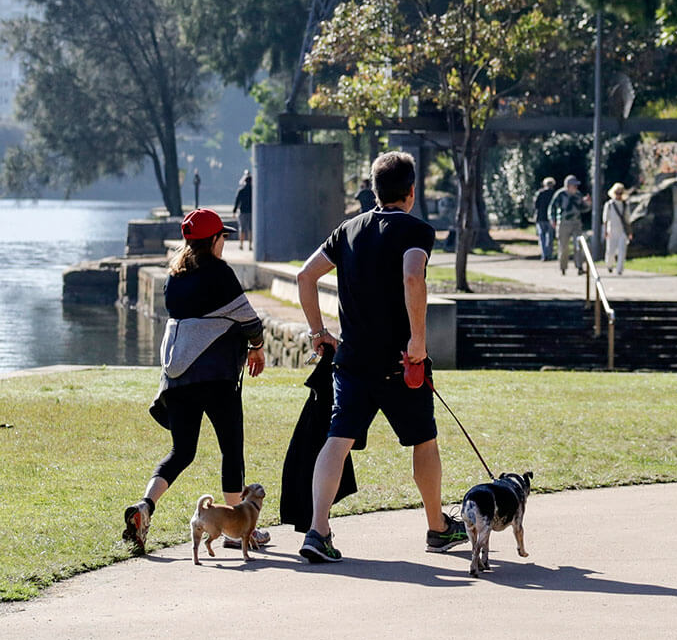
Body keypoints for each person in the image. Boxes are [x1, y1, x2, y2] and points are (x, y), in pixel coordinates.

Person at [295, 151, 467, 562]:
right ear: (411, 192)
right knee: (423, 440)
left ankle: (318, 531)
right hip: (400, 364)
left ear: (375, 190)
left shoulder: (347, 230)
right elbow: (412, 274)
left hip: (352, 361)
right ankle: (436, 528)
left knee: (337, 440)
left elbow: (305, 276)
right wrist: (419, 343)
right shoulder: (417, 230)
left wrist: (319, 332)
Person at [122, 208, 268, 553]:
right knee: (231, 450)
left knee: (181, 451)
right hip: (217, 378)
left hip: (179, 380)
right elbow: (250, 320)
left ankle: (145, 506)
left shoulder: (174, 277)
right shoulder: (220, 274)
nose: (224, 244)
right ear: (214, 240)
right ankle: (235, 533)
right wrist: (257, 349)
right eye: (223, 237)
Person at [549, 174, 590, 275]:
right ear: (568, 186)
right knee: (564, 247)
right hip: (563, 223)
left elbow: (583, 209)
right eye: (573, 185)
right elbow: (552, 207)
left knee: (579, 245)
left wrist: (588, 204)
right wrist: (552, 219)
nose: (575, 187)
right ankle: (563, 267)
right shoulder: (560, 195)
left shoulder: (578, 195)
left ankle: (579, 266)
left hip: (576, 223)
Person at [602, 182, 633, 274]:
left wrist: (629, 231)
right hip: (611, 230)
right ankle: (609, 265)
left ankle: (619, 269)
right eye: (617, 193)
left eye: (620, 193)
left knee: (622, 251)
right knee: (610, 251)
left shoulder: (625, 205)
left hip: (622, 231)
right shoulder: (609, 205)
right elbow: (605, 219)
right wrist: (605, 231)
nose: (618, 195)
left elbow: (627, 219)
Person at [532, 177, 557, 261]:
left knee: (542, 237)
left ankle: (544, 254)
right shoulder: (554, 194)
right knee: (549, 237)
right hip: (550, 218)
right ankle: (549, 254)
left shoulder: (540, 193)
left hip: (540, 217)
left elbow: (536, 205)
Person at [232, 171, 252, 250]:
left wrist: (234, 211)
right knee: (251, 229)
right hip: (251, 212)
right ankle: (250, 246)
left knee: (242, 229)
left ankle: (241, 244)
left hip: (242, 212)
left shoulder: (241, 191)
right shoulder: (253, 191)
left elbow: (237, 202)